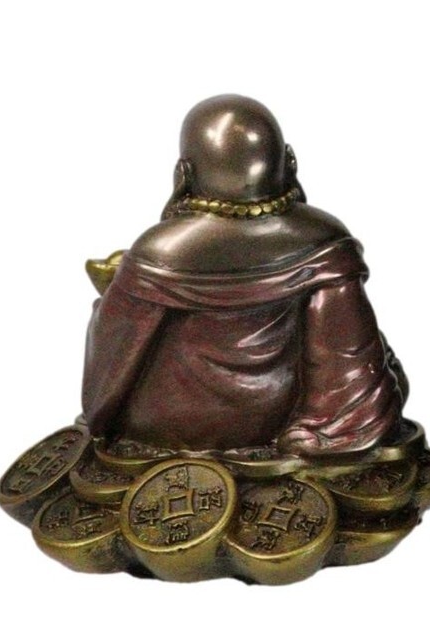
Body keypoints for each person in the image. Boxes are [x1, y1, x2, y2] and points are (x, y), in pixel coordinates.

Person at [82, 94, 404, 455]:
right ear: (289, 162)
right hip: (278, 415)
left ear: (184, 173)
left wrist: (115, 295)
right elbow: (348, 358)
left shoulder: (160, 250)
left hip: (166, 425)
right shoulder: (324, 238)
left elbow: (111, 361)